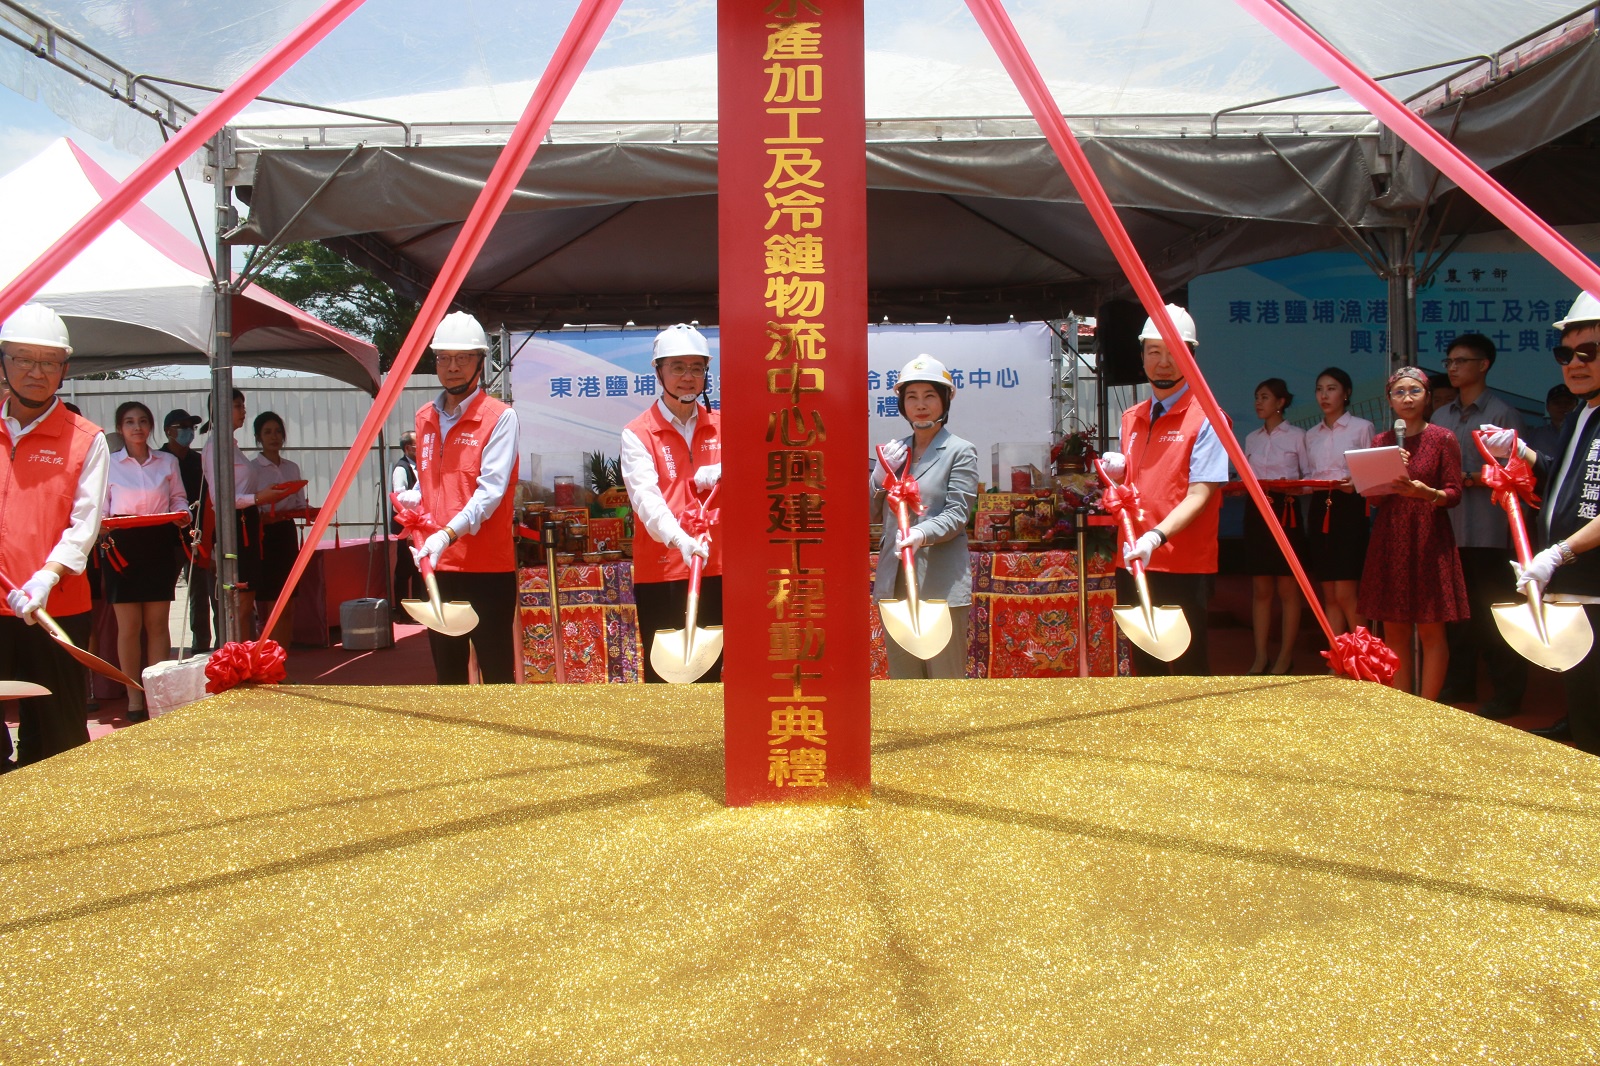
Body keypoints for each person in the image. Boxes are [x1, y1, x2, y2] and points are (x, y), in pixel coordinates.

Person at [1485, 290, 1600, 754]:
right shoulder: (1580, 414)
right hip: (1571, 590)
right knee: (1586, 711)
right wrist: (1520, 451)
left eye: (1588, 353)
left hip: (1593, 586)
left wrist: (1559, 553)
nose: (1574, 364)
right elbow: (1561, 482)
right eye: (1565, 354)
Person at [0, 305, 109, 767]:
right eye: (24, 358)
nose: (36, 371)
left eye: (48, 362)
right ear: (4, 361)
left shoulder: (86, 438)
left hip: (55, 608)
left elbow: (84, 524)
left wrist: (46, 577)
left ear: (64, 369)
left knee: (57, 735)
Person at [1103, 304, 1228, 676]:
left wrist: (1156, 536)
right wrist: (1120, 475)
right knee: (1145, 667)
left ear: (1191, 356)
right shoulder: (1132, 418)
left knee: (1188, 667)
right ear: (1141, 356)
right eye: (1154, 351)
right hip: (1134, 558)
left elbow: (1200, 494)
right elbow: (1135, 491)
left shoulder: (1208, 417)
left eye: (1174, 352)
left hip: (1183, 562)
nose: (1163, 361)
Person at [397, 312, 520, 684]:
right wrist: (415, 499)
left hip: (487, 566)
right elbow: (437, 482)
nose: (452, 367)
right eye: (444, 358)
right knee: (448, 677)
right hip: (438, 567)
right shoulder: (425, 418)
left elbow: (489, 492)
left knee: (496, 673)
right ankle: (455, 744)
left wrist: (445, 533)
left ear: (481, 362)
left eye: (462, 358)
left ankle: (506, 744)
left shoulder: (500, 417)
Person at [1430, 333, 1529, 717]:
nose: (1453, 368)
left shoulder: (1503, 414)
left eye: (1461, 361)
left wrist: (1467, 478)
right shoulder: (1440, 416)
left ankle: (1507, 694)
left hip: (1491, 530)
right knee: (1457, 614)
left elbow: (1517, 473)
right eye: (1449, 361)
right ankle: (1460, 681)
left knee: (1496, 613)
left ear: (1483, 365)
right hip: (1451, 529)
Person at [1356, 367, 1468, 700]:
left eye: (1414, 391)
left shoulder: (1443, 438)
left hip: (1429, 538)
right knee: (1395, 628)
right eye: (1399, 392)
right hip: (1391, 538)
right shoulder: (1382, 442)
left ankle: (1428, 706)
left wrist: (1428, 494)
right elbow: (1373, 498)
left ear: (1427, 396)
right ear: (1390, 400)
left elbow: (1455, 492)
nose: (1407, 398)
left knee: (1432, 630)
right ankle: (1404, 706)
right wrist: (1387, 473)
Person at [620, 324, 723, 683]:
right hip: (663, 569)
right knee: (666, 676)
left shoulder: (725, 428)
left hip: (718, 568)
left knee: (713, 676)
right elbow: (645, 498)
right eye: (677, 367)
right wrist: (679, 538)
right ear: (659, 371)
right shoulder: (638, 433)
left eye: (696, 368)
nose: (687, 377)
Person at [870, 355, 980, 679]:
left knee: (943, 684)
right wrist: (878, 477)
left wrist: (921, 534)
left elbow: (958, 513)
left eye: (930, 396)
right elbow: (870, 513)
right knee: (905, 683)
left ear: (945, 401)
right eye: (912, 397)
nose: (920, 405)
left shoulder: (961, 451)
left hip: (939, 585)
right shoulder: (896, 453)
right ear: (902, 405)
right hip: (896, 585)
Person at [103, 401, 189, 722]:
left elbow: (179, 498)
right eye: (129, 422)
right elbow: (100, 507)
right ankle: (134, 699)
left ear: (150, 426)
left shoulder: (166, 461)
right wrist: (100, 527)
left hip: (158, 542)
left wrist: (185, 514)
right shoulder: (108, 464)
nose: (136, 427)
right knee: (129, 627)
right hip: (121, 544)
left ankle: (157, 696)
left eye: (142, 421)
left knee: (156, 624)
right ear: (120, 428)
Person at [202, 389, 292, 643]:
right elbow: (220, 498)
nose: (243, 412)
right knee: (239, 604)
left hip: (248, 525)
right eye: (237, 406)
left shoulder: (231, 446)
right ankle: (237, 662)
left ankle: (248, 661)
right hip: (235, 526)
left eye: (243, 406)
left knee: (246, 602)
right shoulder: (214, 447)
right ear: (218, 409)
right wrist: (257, 498)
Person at [1241, 377, 1309, 674]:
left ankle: (1285, 655)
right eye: (1257, 396)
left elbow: (1309, 479)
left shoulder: (1298, 436)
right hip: (1257, 511)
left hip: (1286, 511)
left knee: (1287, 588)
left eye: (1265, 397)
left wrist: (1291, 487)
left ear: (1281, 402)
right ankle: (1259, 656)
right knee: (1260, 587)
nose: (1259, 402)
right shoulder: (1251, 438)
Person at [1303, 366, 1373, 637]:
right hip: (1320, 506)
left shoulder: (1362, 428)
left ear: (1347, 393)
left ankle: (1363, 656)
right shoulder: (1311, 434)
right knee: (1329, 592)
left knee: (1346, 591)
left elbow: (1370, 473)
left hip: (1349, 507)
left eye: (1331, 389)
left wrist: (1355, 483)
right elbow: (1310, 476)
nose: (1324, 395)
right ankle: (1337, 660)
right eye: (1320, 389)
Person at [250, 411, 309, 646]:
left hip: (286, 534)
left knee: (288, 603)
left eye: (277, 432)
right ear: (258, 437)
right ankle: (265, 661)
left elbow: (298, 503)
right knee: (268, 607)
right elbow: (249, 504)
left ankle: (282, 660)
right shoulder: (253, 469)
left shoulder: (292, 467)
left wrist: (310, 511)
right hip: (264, 538)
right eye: (267, 432)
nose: (274, 437)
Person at [160, 407, 210, 652]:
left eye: (191, 428)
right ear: (169, 431)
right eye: (183, 428)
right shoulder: (158, 459)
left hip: (195, 537)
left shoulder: (198, 461)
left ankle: (201, 647)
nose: (189, 432)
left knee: (199, 591)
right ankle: (159, 649)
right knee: (161, 596)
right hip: (164, 539)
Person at [390, 429, 423, 607]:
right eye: (419, 445)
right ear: (409, 448)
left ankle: (420, 605)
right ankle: (402, 610)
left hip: (420, 524)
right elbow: (399, 497)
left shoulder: (420, 467)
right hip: (407, 525)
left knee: (420, 568)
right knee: (405, 568)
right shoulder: (402, 468)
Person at [1524, 383, 1576, 457]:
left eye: (1568, 402)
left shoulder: (1586, 432)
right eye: (1557, 403)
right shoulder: (1535, 435)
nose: (1563, 406)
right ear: (1548, 407)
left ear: (1576, 406)